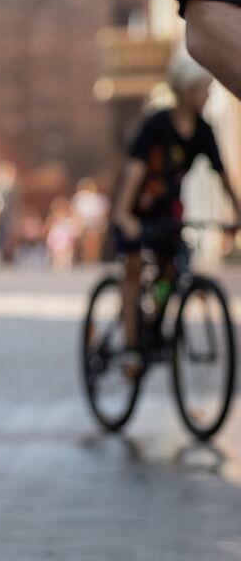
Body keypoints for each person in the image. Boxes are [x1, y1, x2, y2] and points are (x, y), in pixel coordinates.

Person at [111, 53, 241, 372]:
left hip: (168, 211)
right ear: (185, 91)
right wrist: (124, 215)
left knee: (171, 270)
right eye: (203, 89)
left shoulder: (203, 130)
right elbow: (134, 172)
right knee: (133, 268)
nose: (208, 95)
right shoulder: (157, 124)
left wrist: (238, 214)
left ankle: (154, 315)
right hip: (136, 208)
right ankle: (130, 346)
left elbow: (222, 175)